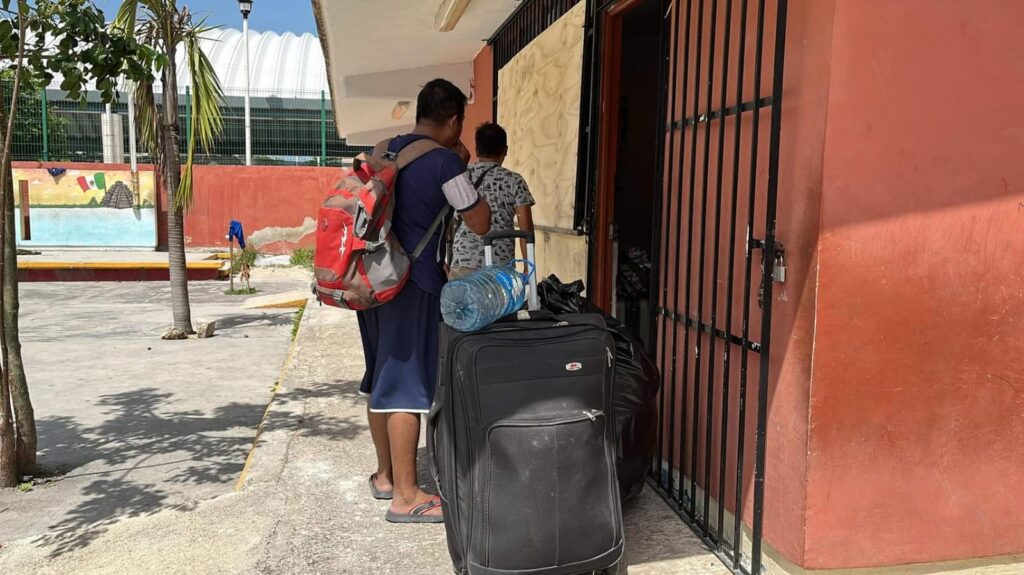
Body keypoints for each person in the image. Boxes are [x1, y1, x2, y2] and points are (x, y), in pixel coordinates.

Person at [358, 79, 491, 523]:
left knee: (380, 378)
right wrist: (461, 169)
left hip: (372, 280)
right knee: (406, 387)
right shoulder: (444, 163)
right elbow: (480, 221)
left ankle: (385, 477)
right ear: (453, 121)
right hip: (412, 284)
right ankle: (407, 496)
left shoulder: (383, 150)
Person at [448, 122, 535, 280]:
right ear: (505, 150)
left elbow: (447, 217)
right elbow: (526, 229)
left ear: (477, 150)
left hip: (464, 263)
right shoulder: (514, 181)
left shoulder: (461, 176)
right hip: (500, 270)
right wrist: (528, 268)